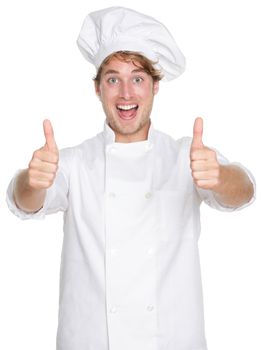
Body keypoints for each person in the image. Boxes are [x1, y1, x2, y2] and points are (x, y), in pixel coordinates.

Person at [6, 6, 255, 350]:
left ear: (155, 87)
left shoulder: (186, 156)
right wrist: (31, 180)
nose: (126, 93)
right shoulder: (74, 163)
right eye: (113, 79)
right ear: (97, 89)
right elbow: (26, 202)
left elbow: (243, 192)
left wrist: (221, 177)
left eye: (137, 78)